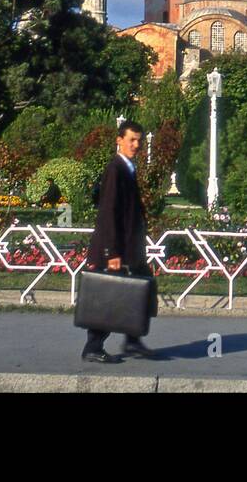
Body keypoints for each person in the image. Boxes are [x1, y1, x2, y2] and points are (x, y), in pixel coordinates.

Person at [81, 120, 156, 364]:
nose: (136, 144)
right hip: (115, 249)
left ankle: (132, 340)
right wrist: (111, 252)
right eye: (131, 139)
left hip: (130, 248)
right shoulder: (115, 169)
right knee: (109, 297)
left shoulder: (128, 167)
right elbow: (108, 212)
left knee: (139, 292)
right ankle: (93, 346)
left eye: (139, 140)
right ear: (119, 140)